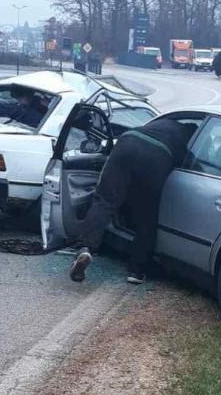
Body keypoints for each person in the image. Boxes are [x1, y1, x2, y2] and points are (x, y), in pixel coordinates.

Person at [69, 117, 195, 285]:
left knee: (104, 201)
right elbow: (188, 164)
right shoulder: (187, 140)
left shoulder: (164, 123)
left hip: (128, 141)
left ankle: (85, 248)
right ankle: (137, 271)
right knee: (147, 216)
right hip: (157, 156)